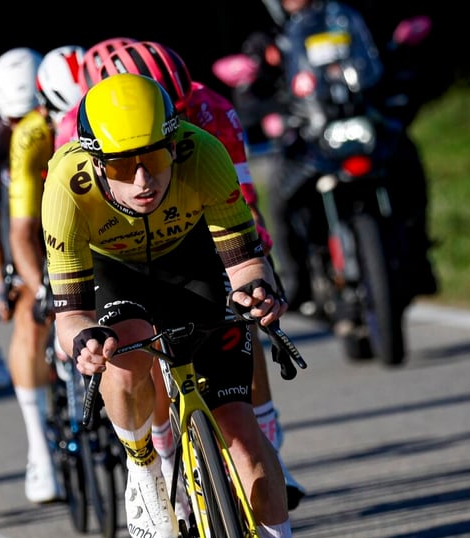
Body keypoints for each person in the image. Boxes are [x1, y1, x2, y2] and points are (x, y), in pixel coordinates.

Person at [42, 73, 337, 538]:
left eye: (153, 157)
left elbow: (245, 261)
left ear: (174, 142)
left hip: (194, 261)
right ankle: (142, 464)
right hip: (113, 272)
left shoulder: (204, 153)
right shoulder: (66, 186)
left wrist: (255, 292)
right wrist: (83, 342)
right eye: (123, 165)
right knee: (121, 349)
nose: (143, 178)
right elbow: (70, 316)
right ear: (94, 162)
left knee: (248, 445)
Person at [64, 38, 309, 508]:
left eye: (179, 109)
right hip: (117, 243)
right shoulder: (75, 130)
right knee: (139, 339)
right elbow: (64, 222)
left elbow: (242, 200)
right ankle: (162, 445)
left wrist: (255, 267)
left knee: (243, 315)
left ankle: (265, 433)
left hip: (200, 219)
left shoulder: (210, 109)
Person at [215, 0, 439, 312]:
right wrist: (260, 92)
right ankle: (294, 278)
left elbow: (386, 61)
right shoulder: (267, 39)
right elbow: (253, 93)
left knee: (408, 161)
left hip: (359, 118)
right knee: (280, 195)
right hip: (307, 136)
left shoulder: (352, 18)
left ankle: (420, 255)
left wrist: (401, 53)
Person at [0, 47, 65, 503]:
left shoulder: (64, 109)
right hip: (21, 222)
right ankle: (39, 448)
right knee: (30, 314)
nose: (23, 127)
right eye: (14, 120)